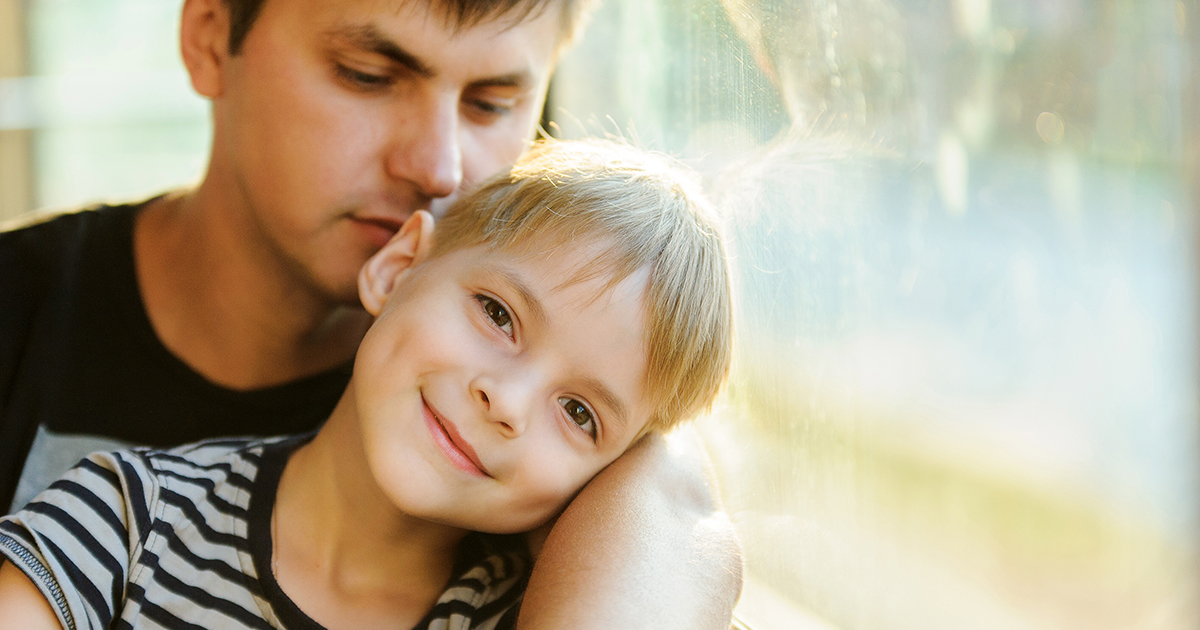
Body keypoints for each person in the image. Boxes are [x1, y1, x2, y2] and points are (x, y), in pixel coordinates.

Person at [0, 0, 742, 627]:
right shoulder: (116, 510)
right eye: (367, 75)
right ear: (209, 36)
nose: (439, 167)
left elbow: (676, 506)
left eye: (492, 103)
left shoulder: (567, 502)